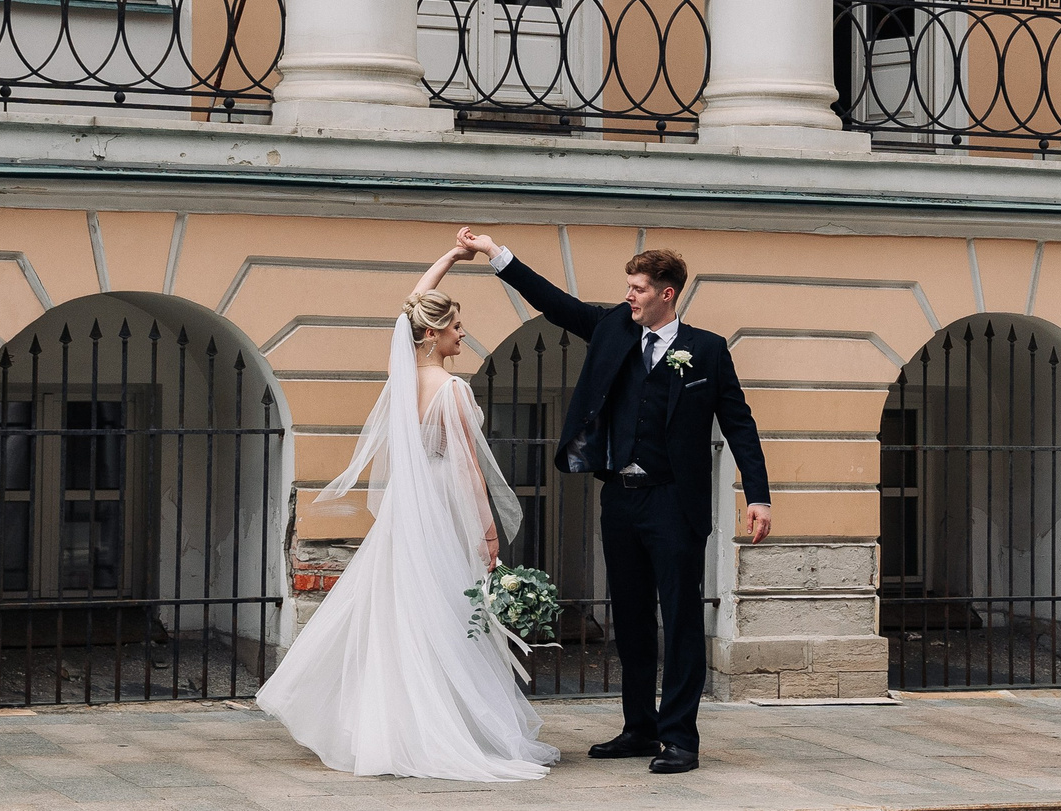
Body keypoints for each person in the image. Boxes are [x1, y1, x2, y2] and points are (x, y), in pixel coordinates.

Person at [457, 228, 769, 776]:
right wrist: (494, 252)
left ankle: (680, 738)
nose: (629, 296)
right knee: (630, 617)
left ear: (667, 293)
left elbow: (739, 424)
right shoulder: (613, 328)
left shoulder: (707, 351)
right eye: (628, 287)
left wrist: (758, 496)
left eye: (638, 288)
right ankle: (639, 728)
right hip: (620, 500)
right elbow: (555, 303)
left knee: (680, 619)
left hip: (674, 502)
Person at [255, 241, 557, 782]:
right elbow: (468, 467)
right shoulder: (452, 390)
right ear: (433, 334)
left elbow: (412, 304)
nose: (463, 333)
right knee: (441, 608)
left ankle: (389, 724)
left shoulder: (402, 377)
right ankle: (436, 727)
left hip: (406, 505)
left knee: (399, 607)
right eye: (456, 326)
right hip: (440, 503)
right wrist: (488, 533)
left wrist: (450, 257)